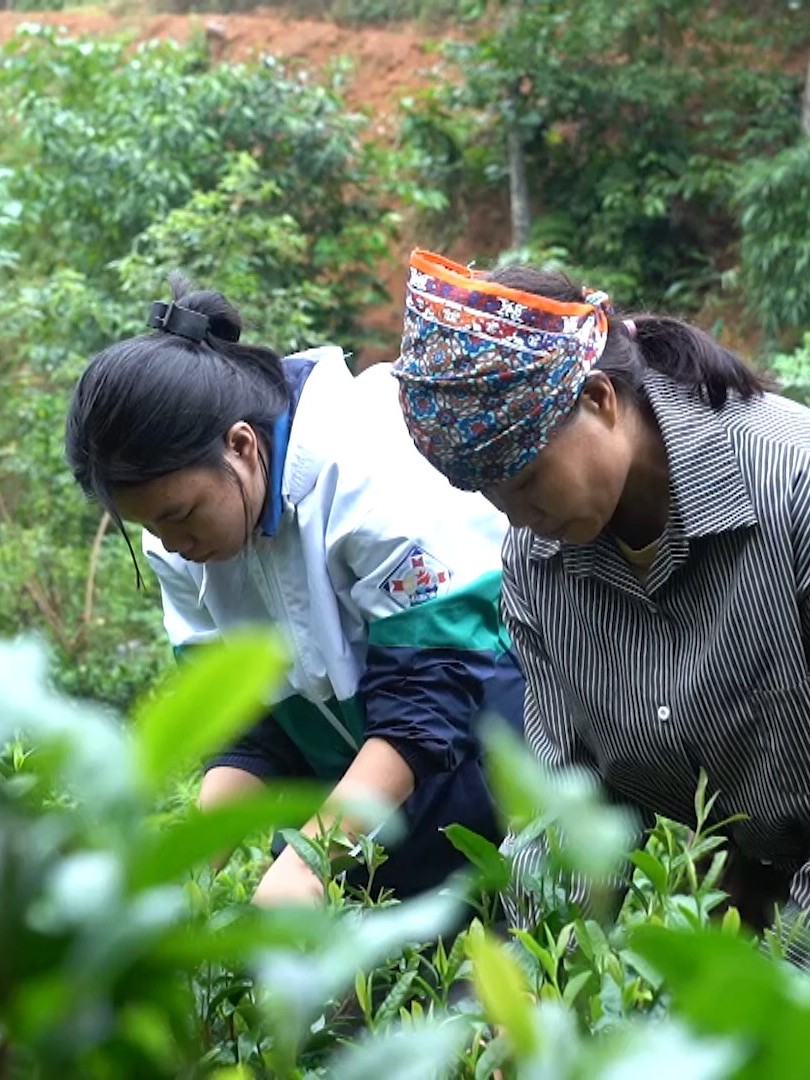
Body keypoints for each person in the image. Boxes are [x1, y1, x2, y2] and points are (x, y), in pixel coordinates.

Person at [393, 248, 810, 952]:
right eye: (493, 498)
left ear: (599, 400)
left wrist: (779, 979)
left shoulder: (790, 486)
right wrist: (535, 977)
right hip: (742, 912)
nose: (519, 518)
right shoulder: (538, 566)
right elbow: (569, 807)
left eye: (527, 480)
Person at [65, 273, 525, 905]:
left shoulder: (366, 467)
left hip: (487, 766)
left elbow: (432, 696)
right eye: (149, 526)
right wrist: (182, 875)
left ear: (240, 445)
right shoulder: (182, 540)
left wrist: (310, 860)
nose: (171, 543)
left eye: (179, 515)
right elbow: (247, 727)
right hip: (361, 799)